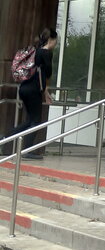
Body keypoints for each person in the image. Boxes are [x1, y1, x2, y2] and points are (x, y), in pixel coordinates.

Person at [12, 28, 57, 158]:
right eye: (56, 40)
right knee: (36, 121)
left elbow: (39, 75)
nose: (56, 43)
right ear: (51, 39)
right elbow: (48, 73)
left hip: (24, 88)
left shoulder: (34, 51)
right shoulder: (46, 53)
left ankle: (5, 138)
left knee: (30, 120)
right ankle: (27, 150)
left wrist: (45, 92)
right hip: (33, 90)